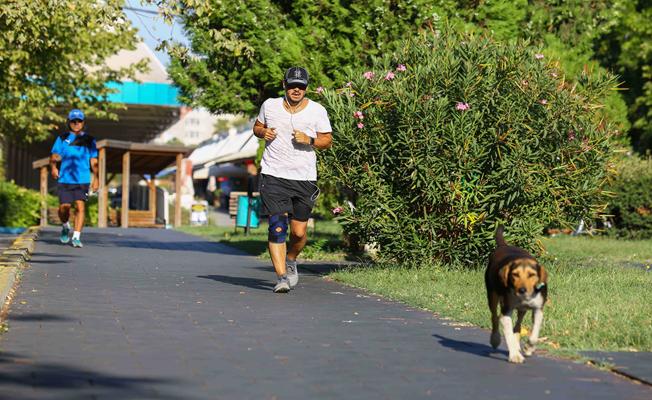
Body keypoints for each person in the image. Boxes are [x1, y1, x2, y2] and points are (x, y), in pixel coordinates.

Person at [253, 67, 333, 293]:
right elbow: (257, 127)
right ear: (284, 85)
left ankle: (291, 259)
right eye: (292, 85)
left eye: (301, 86)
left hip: (304, 177)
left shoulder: (317, 111)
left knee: (298, 233)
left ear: (306, 87)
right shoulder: (269, 105)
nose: (296, 89)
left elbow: (327, 140)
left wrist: (309, 139)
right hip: (274, 174)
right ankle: (281, 278)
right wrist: (263, 133)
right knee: (277, 227)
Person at [50, 109, 99, 248]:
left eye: (79, 121)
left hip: (82, 179)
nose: (76, 123)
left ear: (83, 122)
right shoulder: (62, 138)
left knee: (80, 206)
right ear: (69, 122)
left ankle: (76, 237)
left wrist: (97, 178)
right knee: (63, 208)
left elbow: (94, 161)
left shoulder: (89, 140)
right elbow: (54, 156)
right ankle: (65, 226)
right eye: (74, 121)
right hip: (65, 178)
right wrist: (53, 168)